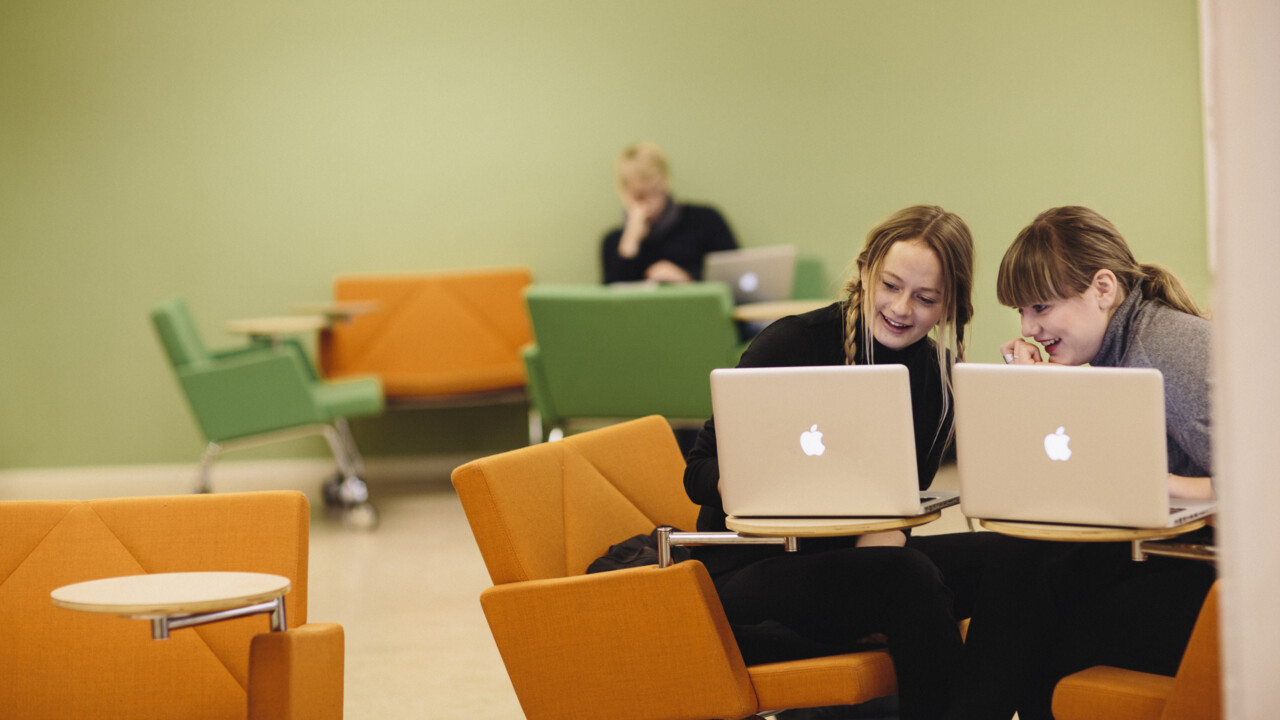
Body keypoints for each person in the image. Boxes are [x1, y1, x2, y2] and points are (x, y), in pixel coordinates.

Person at [684, 205, 993, 720]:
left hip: (852, 570)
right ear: (865, 270)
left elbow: (895, 516)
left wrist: (870, 588)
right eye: (890, 285)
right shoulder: (791, 343)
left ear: (949, 305)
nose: (901, 308)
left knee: (1008, 556)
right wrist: (752, 483)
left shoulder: (936, 381)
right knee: (908, 578)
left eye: (926, 298)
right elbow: (697, 469)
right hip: (749, 571)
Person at [944, 206, 1217, 720]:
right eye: (1021, 312)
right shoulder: (1119, 349)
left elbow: (1263, 479)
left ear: (1103, 288)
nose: (1029, 328)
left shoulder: (1167, 349)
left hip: (1215, 583)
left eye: (1041, 307)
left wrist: (1171, 485)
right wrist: (1039, 394)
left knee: (1026, 599)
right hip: (1168, 560)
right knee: (1013, 566)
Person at [600, 142, 738, 284]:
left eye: (654, 192)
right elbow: (609, 301)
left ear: (666, 183)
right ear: (623, 192)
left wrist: (688, 279)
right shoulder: (613, 242)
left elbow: (735, 279)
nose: (649, 205)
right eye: (639, 196)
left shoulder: (706, 221)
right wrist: (630, 243)